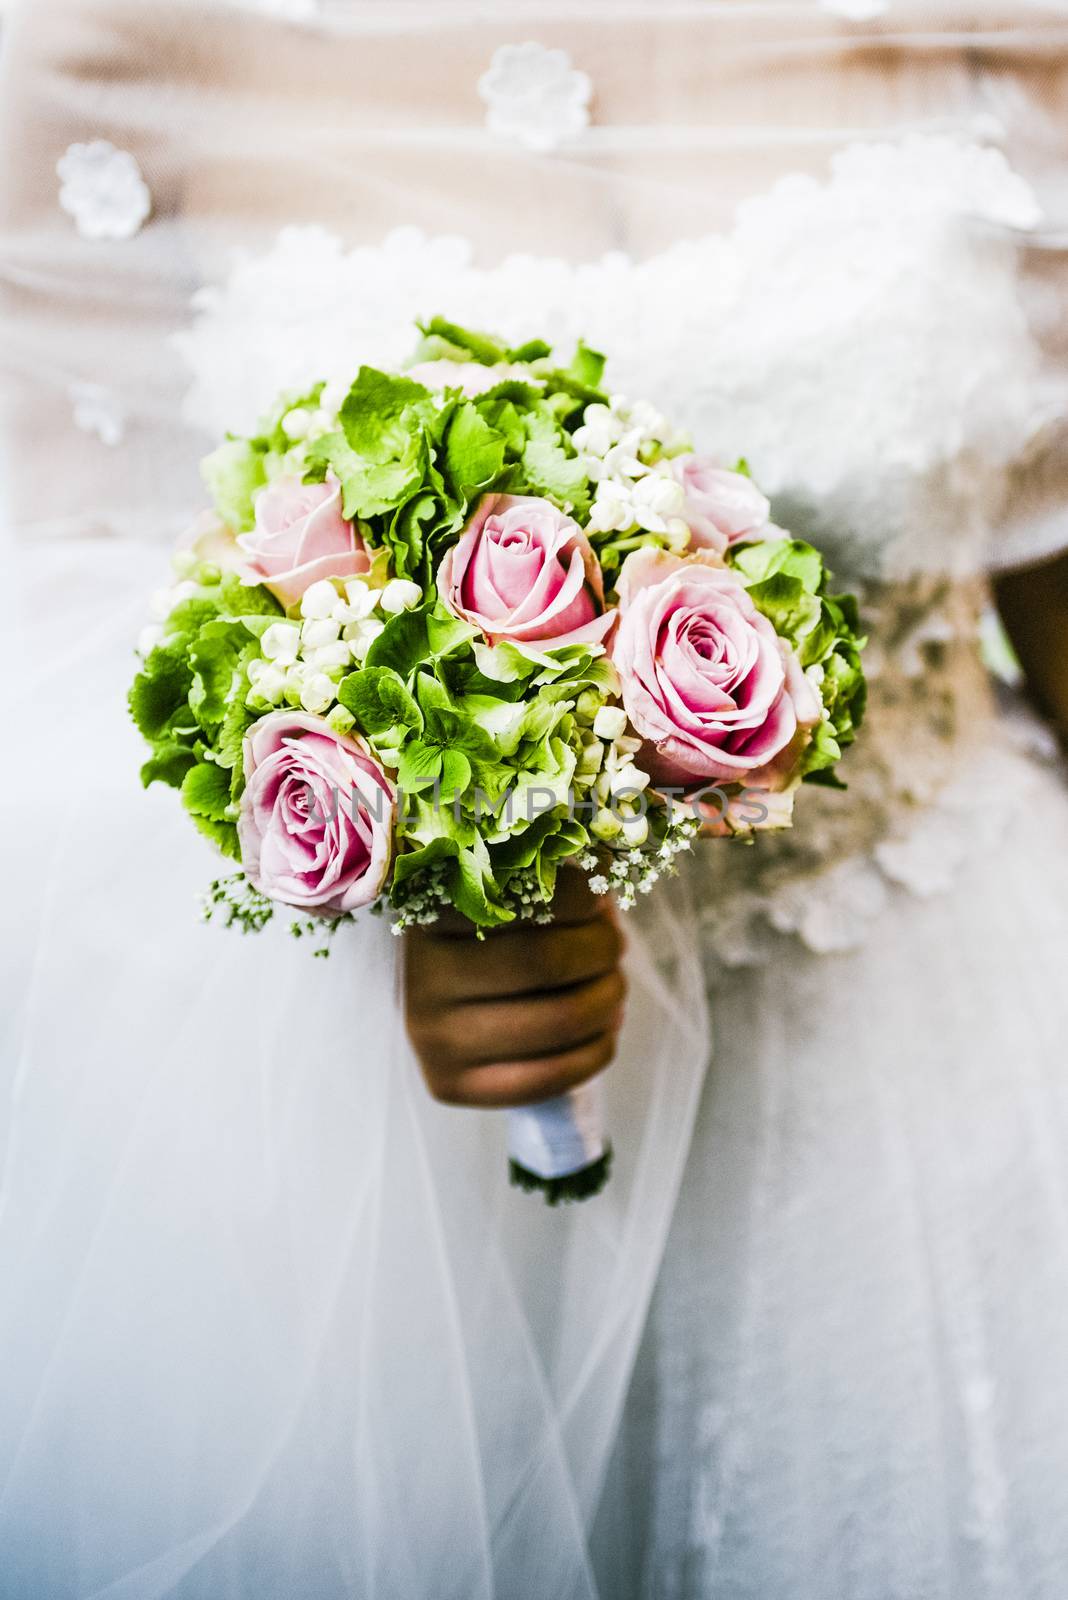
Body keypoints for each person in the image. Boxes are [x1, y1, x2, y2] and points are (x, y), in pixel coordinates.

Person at [3, 2, 1068, 1596]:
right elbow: (50, 640)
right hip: (393, 1187)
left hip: (940, 1038)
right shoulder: (107, 40)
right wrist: (364, 842)